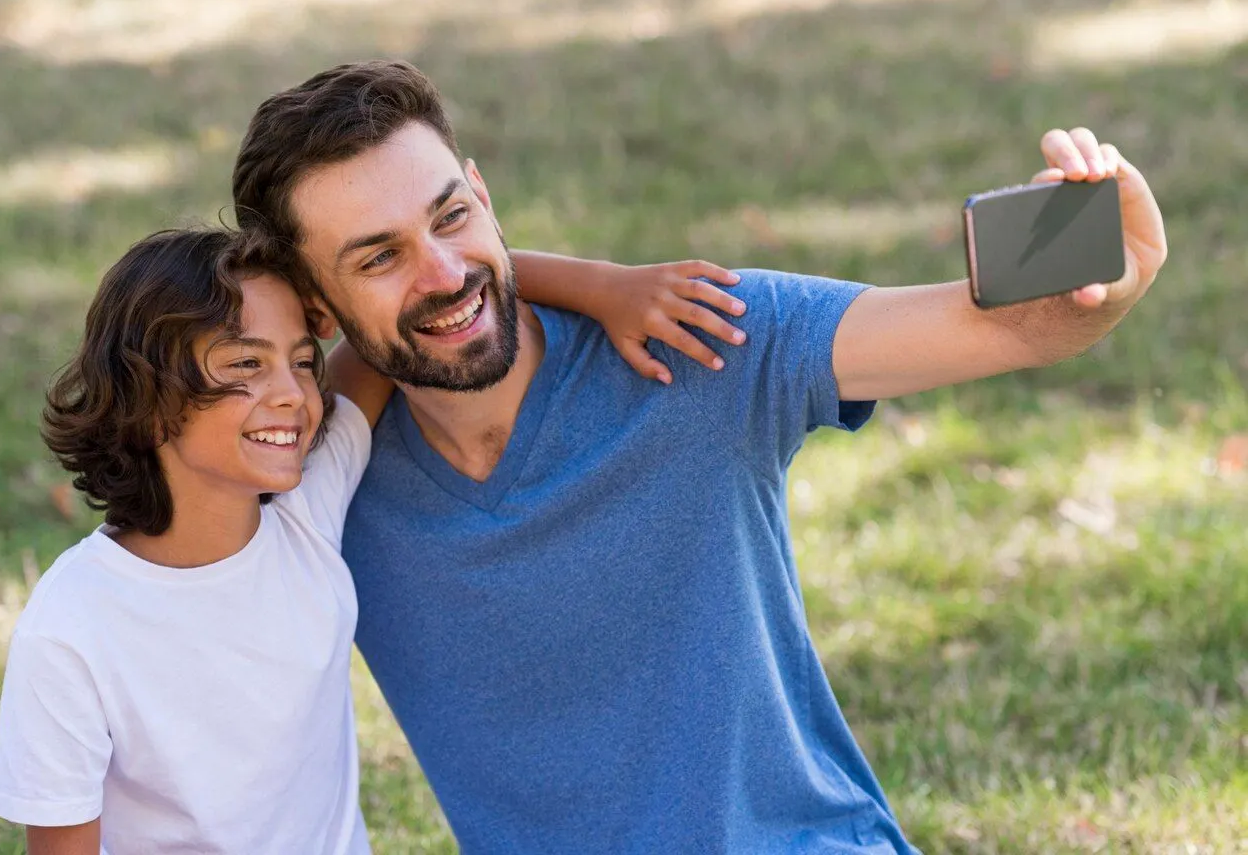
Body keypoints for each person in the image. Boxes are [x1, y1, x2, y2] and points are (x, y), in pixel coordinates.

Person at [231, 60, 1168, 853]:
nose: (442, 272)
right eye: (378, 258)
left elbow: (1003, 329)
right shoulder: (315, 482)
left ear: (483, 195)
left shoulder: (696, 343)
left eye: (449, 216)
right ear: (314, 308)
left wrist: (1105, 275)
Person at [0, 226, 744, 854]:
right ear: (146, 399)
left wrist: (603, 287)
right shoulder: (74, 628)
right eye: (246, 364)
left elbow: (420, 308)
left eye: (302, 361)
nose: (291, 393)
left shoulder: (305, 507)